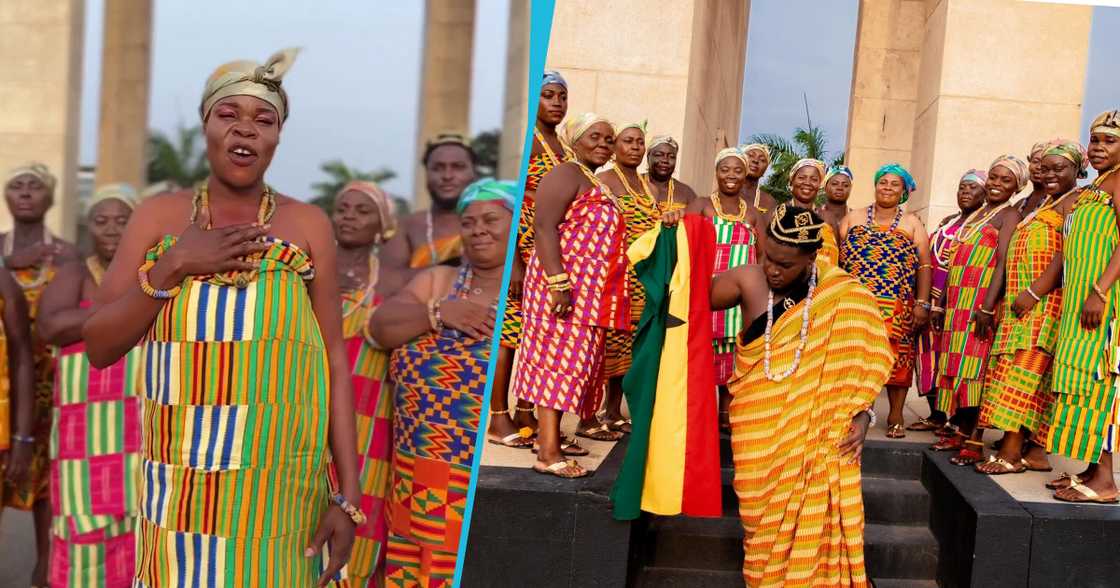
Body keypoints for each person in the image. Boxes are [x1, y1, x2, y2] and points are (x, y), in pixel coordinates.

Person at [81, 49, 361, 586]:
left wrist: (347, 497)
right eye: (228, 113)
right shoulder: (159, 218)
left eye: (264, 119)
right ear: (206, 124)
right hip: (181, 496)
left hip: (282, 493)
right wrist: (176, 264)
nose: (246, 129)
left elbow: (333, 360)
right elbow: (99, 346)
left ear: (278, 137)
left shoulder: (307, 224)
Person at [713, 204, 891, 587]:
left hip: (818, 432)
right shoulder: (747, 278)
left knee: (813, 517)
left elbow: (868, 356)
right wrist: (670, 238)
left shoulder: (843, 294)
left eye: (786, 265)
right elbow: (682, 296)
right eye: (768, 258)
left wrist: (863, 413)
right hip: (757, 425)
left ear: (812, 258)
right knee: (760, 516)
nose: (773, 270)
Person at [368, 178, 512, 587]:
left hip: (477, 484)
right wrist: (438, 313)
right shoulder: (438, 283)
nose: (478, 229)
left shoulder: (526, 294)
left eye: (491, 219)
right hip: (414, 487)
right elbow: (380, 328)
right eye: (468, 222)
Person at [511, 113, 629, 479]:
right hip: (561, 290)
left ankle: (551, 442)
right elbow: (544, 226)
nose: (603, 144)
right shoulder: (565, 173)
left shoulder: (591, 179)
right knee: (555, 365)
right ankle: (547, 453)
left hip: (587, 296)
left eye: (609, 139)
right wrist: (558, 283)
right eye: (595, 136)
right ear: (575, 139)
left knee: (573, 367)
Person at [38, 184, 139, 587]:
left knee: (140, 528)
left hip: (139, 428)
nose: (112, 230)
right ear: (88, 228)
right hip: (84, 435)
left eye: (122, 221)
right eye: (101, 221)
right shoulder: (75, 273)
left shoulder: (153, 270)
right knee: (83, 529)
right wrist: (127, 309)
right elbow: (50, 326)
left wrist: (90, 318)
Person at [976, 142, 1086, 475]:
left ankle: (1010, 453)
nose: (1050, 174)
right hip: (1019, 304)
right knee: (1019, 375)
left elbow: (1070, 250)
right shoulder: (1047, 203)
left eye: (1059, 168)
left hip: (1042, 303)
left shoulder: (1075, 202)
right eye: (1046, 168)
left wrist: (1036, 292)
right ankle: (1035, 453)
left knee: (1023, 375)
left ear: (1076, 171)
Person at [1, 161, 81, 586]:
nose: (27, 193)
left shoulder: (66, 254)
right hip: (6, 379)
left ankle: (46, 564)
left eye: (35, 186)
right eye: (17, 186)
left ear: (50, 197)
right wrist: (14, 260)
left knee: (48, 471)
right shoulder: (1, 250)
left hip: (53, 376)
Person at [491, 70, 570, 449]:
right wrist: (514, 263)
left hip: (546, 253)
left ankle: (525, 410)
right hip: (519, 248)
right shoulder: (525, 143)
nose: (556, 103)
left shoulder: (565, 149)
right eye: (548, 95)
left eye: (561, 97)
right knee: (507, 336)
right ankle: (497, 417)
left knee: (536, 334)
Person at [1046, 110, 1120, 503]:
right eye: (1095, 140)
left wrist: (1101, 291)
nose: (1098, 148)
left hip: (1103, 304)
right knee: (1078, 383)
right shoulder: (1096, 186)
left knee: (1099, 384)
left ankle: (1106, 481)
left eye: (1109, 141)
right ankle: (1091, 469)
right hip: (1079, 302)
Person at [935, 156, 1026, 465]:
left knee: (974, 371)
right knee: (956, 366)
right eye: (994, 177)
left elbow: (1002, 261)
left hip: (978, 302)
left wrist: (987, 307)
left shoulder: (1008, 214)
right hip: (957, 303)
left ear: (1017, 186)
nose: (997, 184)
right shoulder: (977, 214)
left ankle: (973, 442)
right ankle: (959, 430)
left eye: (1006, 180)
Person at [331, 180, 398, 585]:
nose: (349, 217)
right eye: (343, 208)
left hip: (370, 424)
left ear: (382, 225)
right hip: (307, 422)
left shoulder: (393, 283)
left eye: (362, 211)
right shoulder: (306, 273)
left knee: (361, 522)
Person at [841, 163, 932, 438]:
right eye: (884, 182)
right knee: (857, 360)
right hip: (857, 303)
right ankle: (857, 412)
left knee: (898, 360)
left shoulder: (912, 223)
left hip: (898, 303)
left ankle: (895, 415)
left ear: (903, 191)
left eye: (895, 184)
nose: (888, 188)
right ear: (876, 185)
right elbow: (839, 261)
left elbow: (925, 266)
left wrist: (922, 303)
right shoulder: (853, 217)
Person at [686, 147, 761, 432]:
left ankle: (725, 413)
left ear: (746, 176)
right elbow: (685, 241)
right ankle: (700, 415)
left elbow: (764, 257)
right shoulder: (701, 204)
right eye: (725, 169)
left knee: (733, 355)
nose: (731, 175)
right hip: (706, 291)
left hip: (739, 299)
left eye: (738, 170)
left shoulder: (753, 214)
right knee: (702, 353)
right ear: (716, 172)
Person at [595, 120, 658, 439]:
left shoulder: (646, 185)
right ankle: (589, 416)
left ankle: (612, 411)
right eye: (628, 141)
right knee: (606, 347)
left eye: (639, 142)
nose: (635, 147)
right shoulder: (604, 179)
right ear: (615, 147)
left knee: (627, 349)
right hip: (614, 276)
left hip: (641, 282)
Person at [911, 170, 987, 434]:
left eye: (972, 188)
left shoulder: (983, 222)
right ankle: (936, 414)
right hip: (929, 297)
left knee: (951, 358)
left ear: (985, 193)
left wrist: (942, 303)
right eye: (962, 187)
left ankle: (956, 419)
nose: (965, 192)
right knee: (928, 356)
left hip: (957, 300)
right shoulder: (948, 221)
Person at [379, 133, 478, 296]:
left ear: (473, 173)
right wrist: (457, 268)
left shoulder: (494, 222)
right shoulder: (405, 227)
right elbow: (386, 285)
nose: (447, 176)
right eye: (437, 168)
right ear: (426, 173)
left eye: (458, 167)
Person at [642, 135, 698, 213]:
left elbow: (699, 222)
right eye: (659, 155)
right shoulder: (635, 184)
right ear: (648, 157)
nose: (665, 160)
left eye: (671, 157)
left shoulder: (687, 193)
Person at [786, 158, 828, 260]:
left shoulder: (827, 218)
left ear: (819, 185)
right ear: (792, 182)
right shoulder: (778, 214)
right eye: (801, 177)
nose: (807, 183)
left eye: (814, 179)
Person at [816, 165, 853, 265]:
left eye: (845, 185)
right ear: (825, 186)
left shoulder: (856, 218)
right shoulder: (815, 215)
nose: (840, 188)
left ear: (850, 188)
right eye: (834, 184)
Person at [738, 143, 776, 217]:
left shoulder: (769, 202)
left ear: (765, 169)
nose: (755, 160)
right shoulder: (725, 192)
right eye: (750, 155)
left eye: (762, 160)